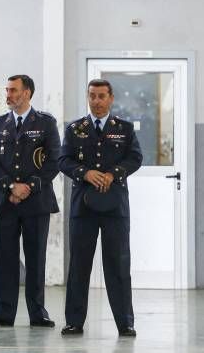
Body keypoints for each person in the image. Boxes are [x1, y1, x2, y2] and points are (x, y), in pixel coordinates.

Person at [58, 79, 143, 338]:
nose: (96, 101)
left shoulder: (124, 129)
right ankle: (74, 321)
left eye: (101, 96)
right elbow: (63, 160)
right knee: (79, 266)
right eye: (92, 96)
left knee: (118, 265)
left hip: (114, 207)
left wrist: (113, 173)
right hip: (83, 208)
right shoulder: (75, 129)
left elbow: (135, 157)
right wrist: (85, 173)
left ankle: (125, 323)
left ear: (111, 98)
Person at [0, 75, 61, 328]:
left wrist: (29, 186)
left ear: (27, 93)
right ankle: (3, 313)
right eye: (7, 89)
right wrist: (11, 186)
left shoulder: (46, 123)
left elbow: (54, 160)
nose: (8, 94)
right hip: (6, 201)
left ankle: (37, 313)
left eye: (13, 90)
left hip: (36, 201)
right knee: (5, 258)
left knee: (36, 257)